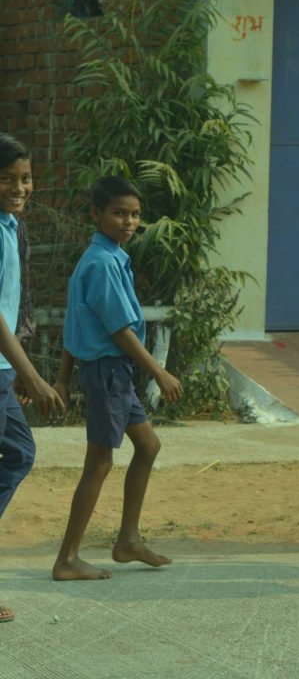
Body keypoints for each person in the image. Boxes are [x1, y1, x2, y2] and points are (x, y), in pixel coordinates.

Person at [52, 176, 183, 581]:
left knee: (148, 445)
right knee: (100, 462)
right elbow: (118, 331)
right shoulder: (102, 264)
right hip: (108, 372)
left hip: (114, 373)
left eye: (135, 215)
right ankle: (67, 559)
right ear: (96, 214)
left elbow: (74, 326)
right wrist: (159, 371)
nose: (128, 221)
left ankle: (128, 539)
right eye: (119, 213)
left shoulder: (106, 258)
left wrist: (62, 379)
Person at [0, 133, 65, 622]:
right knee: (19, 452)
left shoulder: (12, 226)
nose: (18, 188)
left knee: (19, 453)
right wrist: (34, 376)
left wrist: (17, 370)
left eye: (24, 178)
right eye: (6, 178)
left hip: (3, 368)